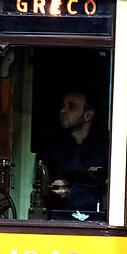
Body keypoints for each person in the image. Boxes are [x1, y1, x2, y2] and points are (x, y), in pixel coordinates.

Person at [42, 89, 108, 220]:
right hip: (58, 219)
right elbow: (43, 183)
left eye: (71, 107)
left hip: (96, 221)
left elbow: (106, 187)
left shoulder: (106, 147)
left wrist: (71, 191)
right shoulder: (53, 146)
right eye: (62, 106)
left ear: (87, 115)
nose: (63, 111)